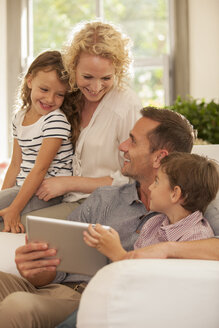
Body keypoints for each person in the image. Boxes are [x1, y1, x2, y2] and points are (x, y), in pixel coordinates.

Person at [0, 107, 198, 327]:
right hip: (54, 290)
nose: (122, 146)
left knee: (17, 307)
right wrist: (38, 269)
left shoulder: (185, 214)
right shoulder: (106, 198)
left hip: (91, 301)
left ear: (159, 157)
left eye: (132, 141)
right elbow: (55, 269)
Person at [21, 20, 141, 223]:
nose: (95, 87)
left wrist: (69, 183)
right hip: (59, 196)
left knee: (24, 223)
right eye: (87, 76)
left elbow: (132, 178)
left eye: (106, 78)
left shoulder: (126, 105)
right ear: (72, 67)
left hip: (102, 203)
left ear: (118, 72)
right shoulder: (66, 96)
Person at [83, 152, 219, 262]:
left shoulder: (197, 238)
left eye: (157, 181)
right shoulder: (153, 224)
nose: (150, 187)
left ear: (175, 194)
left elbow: (157, 285)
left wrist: (117, 254)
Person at [0, 50, 78, 233]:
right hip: (24, 188)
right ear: (29, 81)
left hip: (46, 192)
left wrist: (14, 208)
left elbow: (40, 169)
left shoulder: (55, 121)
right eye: (44, 89)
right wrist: (4, 197)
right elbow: (15, 164)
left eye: (59, 94)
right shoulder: (20, 117)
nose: (50, 99)